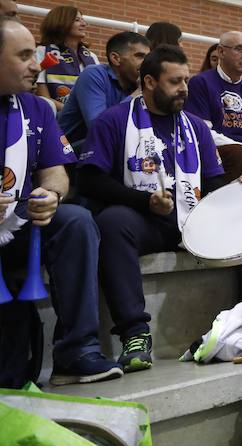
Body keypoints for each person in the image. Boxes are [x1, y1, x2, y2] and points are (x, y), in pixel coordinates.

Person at [77, 45, 227, 372]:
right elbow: (89, 181)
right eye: (175, 82)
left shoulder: (196, 127)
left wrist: (234, 192)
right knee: (113, 222)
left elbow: (214, 182)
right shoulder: (114, 120)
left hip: (190, 220)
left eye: (186, 80)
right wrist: (145, 202)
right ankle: (135, 333)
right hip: (142, 221)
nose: (184, 89)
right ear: (148, 82)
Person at [0, 16, 122, 385]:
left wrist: (50, 195)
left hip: (18, 226)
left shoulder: (37, 109)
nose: (37, 65)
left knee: (75, 221)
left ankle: (76, 352)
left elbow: (56, 173)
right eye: (23, 56)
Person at [184, 31, 242, 183]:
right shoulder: (200, 82)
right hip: (220, 150)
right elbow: (202, 131)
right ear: (221, 52)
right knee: (238, 153)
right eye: (239, 49)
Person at [58, 32, 149, 146]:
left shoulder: (137, 83)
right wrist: (137, 93)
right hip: (66, 150)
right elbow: (99, 128)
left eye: (148, 57)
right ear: (115, 58)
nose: (147, 63)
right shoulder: (93, 74)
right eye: (140, 56)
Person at [35, 6, 99, 111]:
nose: (84, 24)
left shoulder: (91, 57)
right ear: (61, 22)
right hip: (56, 117)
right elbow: (43, 97)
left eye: (83, 20)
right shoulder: (42, 52)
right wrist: (72, 115)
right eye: (77, 20)